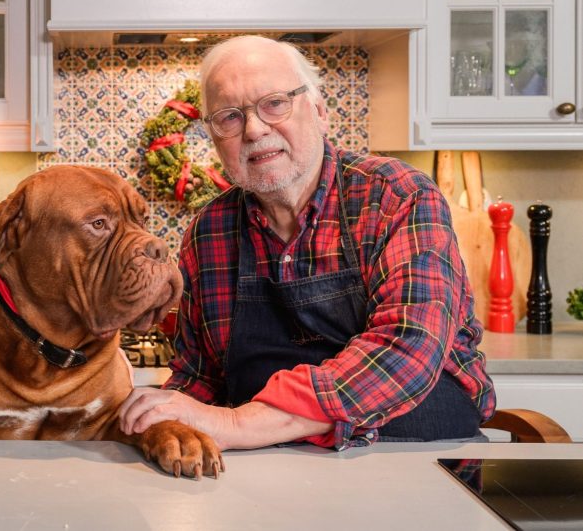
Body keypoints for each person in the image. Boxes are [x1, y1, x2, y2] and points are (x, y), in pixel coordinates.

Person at [119, 35, 495, 450]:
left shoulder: (396, 196)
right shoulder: (209, 231)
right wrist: (165, 420)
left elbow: (407, 349)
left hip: (414, 457)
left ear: (318, 111)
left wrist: (238, 424)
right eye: (229, 117)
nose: (254, 129)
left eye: (275, 103)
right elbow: (201, 379)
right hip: (265, 471)